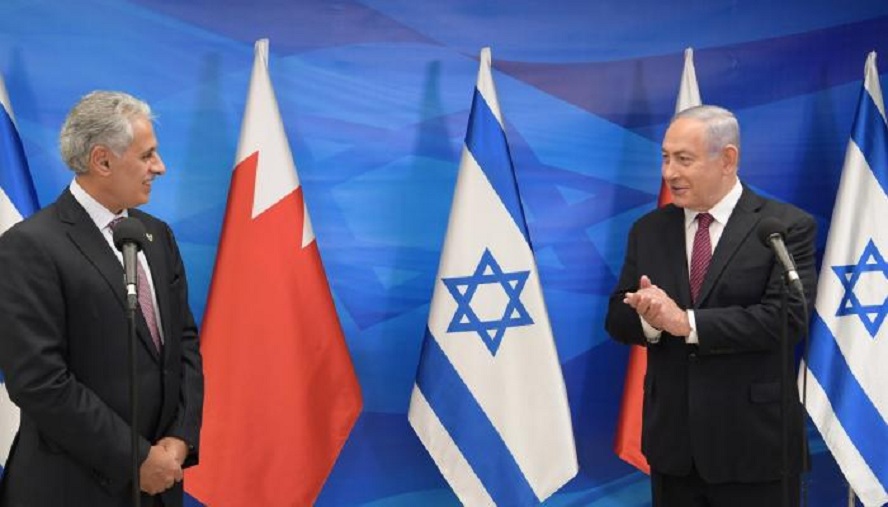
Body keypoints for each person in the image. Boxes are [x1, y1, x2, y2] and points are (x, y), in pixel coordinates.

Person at [605, 105, 816, 506]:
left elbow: (786, 319)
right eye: (666, 158)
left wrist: (686, 323)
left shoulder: (783, 227)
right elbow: (617, 316)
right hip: (674, 449)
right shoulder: (649, 230)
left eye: (684, 159)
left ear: (727, 159)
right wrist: (650, 319)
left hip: (755, 447)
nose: (669, 172)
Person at [0, 91, 203, 506]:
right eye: (146, 155)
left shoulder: (157, 235)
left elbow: (183, 345)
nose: (159, 167)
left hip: (161, 482)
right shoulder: (30, 246)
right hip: (72, 488)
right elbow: (39, 381)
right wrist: (135, 458)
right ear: (102, 161)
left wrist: (179, 439)